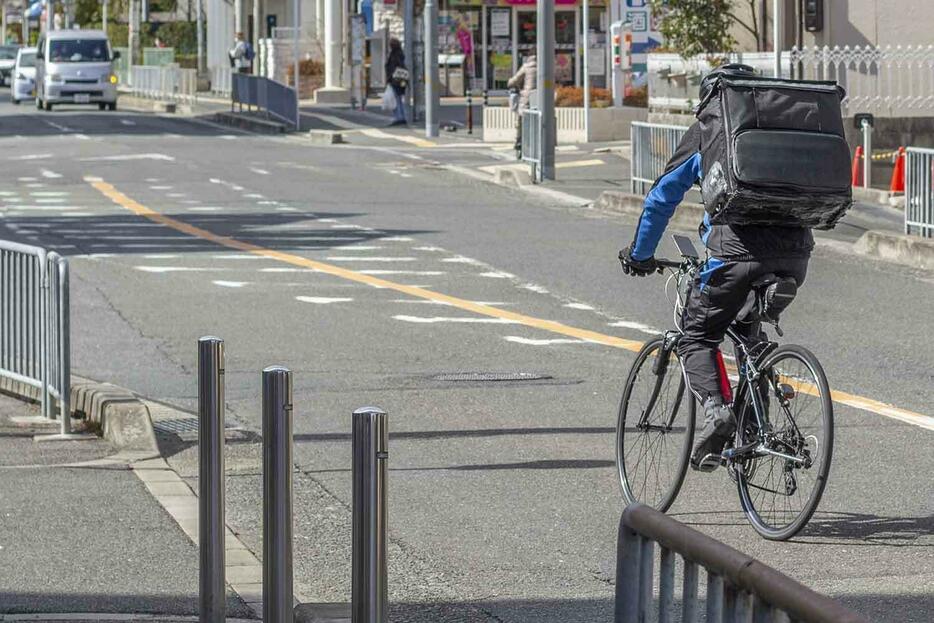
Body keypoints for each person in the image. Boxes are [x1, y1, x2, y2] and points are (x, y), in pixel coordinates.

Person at [619, 64, 814, 472]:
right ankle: (760, 430)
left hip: (736, 253)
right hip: (796, 254)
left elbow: (661, 197)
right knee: (748, 335)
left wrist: (640, 254)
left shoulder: (712, 128)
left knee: (696, 336)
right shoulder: (783, 127)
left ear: (711, 99)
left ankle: (717, 413)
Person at [506, 54, 537, 151]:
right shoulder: (546, 65)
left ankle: (519, 141)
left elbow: (514, 81)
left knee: (521, 117)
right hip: (541, 97)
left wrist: (509, 82)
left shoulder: (526, 67)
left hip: (528, 97)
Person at [385, 38, 408, 126]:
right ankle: (401, 117)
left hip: (395, 80)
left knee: (396, 99)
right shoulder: (400, 53)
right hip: (400, 80)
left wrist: (390, 77)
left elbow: (394, 67)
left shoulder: (395, 54)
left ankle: (399, 117)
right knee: (398, 98)